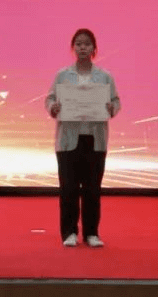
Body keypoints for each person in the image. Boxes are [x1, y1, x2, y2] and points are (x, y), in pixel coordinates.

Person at [45, 28, 120, 248]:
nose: (82, 48)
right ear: (73, 48)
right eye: (78, 44)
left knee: (92, 188)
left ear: (94, 48)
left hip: (95, 140)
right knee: (68, 188)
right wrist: (53, 107)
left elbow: (116, 101)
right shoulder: (62, 75)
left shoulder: (104, 76)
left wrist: (111, 107)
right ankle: (69, 232)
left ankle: (91, 233)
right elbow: (49, 99)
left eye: (87, 44)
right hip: (68, 140)